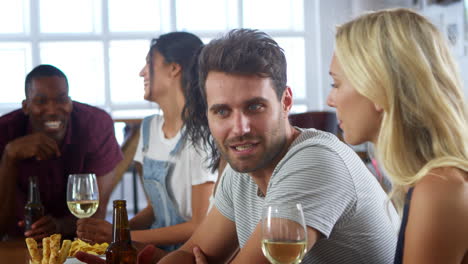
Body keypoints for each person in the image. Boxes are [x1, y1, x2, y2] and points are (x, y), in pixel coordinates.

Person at [143, 28, 397, 263]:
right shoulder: (242, 170)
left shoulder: (315, 161)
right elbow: (190, 252)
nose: (240, 129)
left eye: (254, 107)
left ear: (285, 102)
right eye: (222, 111)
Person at [327, 8, 468, 263]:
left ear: (377, 88)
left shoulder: (439, 188)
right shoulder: (432, 181)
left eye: (336, 84)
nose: (330, 100)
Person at [76, 32, 217, 253]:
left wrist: (123, 235)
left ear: (174, 69)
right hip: (153, 249)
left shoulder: (200, 136)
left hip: (189, 254)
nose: (142, 72)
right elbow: (154, 209)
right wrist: (115, 231)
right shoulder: (149, 128)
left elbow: (199, 225)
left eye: (149, 63)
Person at [0, 64, 122, 240]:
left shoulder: (96, 124)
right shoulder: (5, 131)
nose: (52, 110)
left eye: (61, 100)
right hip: (17, 240)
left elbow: (96, 213)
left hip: (77, 239)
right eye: (41, 101)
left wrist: (59, 226)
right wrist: (9, 156)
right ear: (25, 107)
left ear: (70, 103)